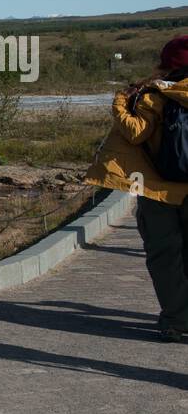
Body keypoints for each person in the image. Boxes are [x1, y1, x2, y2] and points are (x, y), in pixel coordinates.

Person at [84, 35, 188, 343]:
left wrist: (119, 100)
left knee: (166, 258)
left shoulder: (155, 94)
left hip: (159, 191)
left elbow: (135, 133)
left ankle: (178, 323)